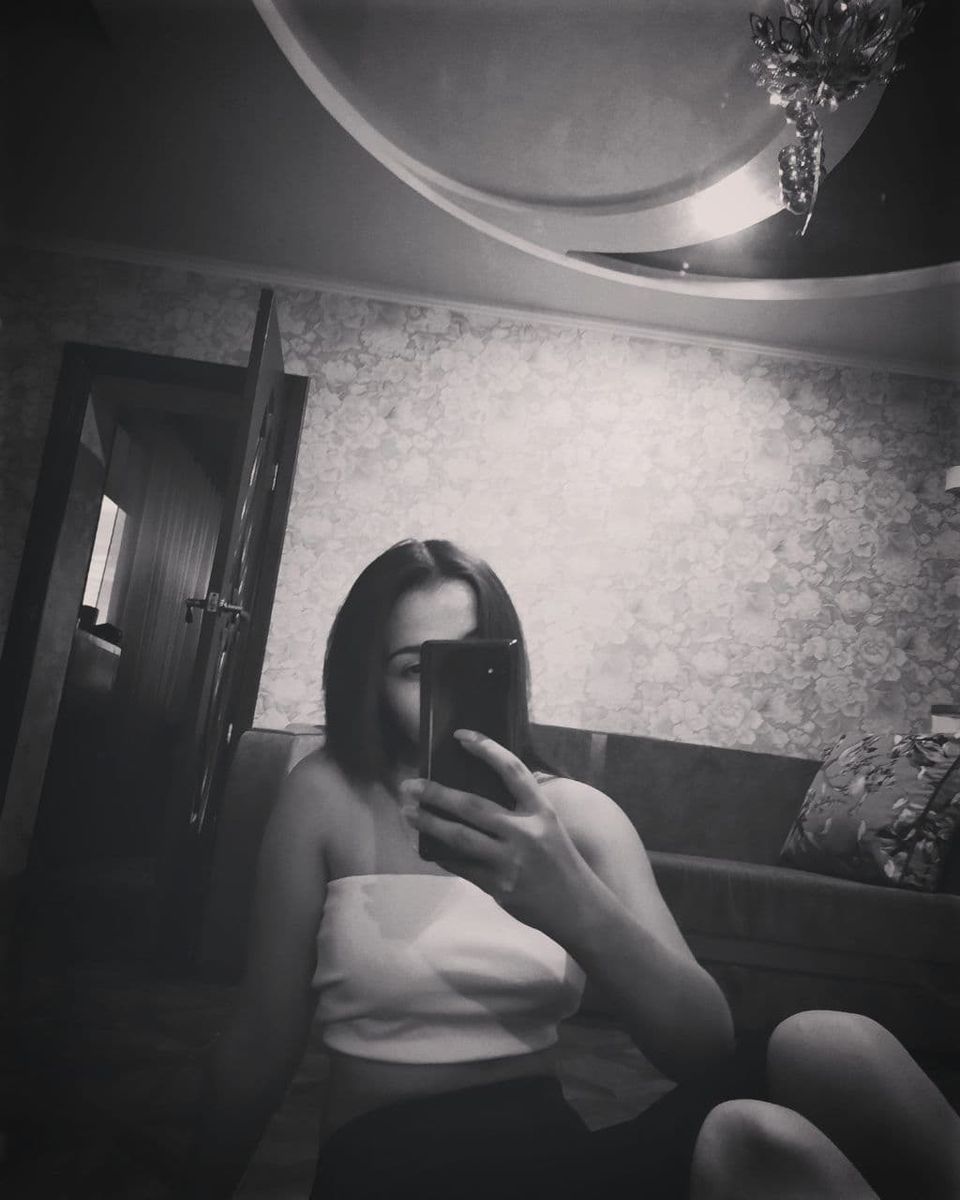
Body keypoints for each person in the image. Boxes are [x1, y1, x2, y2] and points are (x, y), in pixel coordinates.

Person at [190, 538, 960, 1199]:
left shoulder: (580, 816)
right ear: (368, 677)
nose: (442, 697)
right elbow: (261, 1040)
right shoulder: (326, 794)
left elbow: (700, 1049)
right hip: (392, 1166)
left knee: (826, 1049)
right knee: (756, 1140)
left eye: (469, 665)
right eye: (414, 668)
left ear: (507, 669)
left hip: (556, 1158)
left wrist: (572, 905)